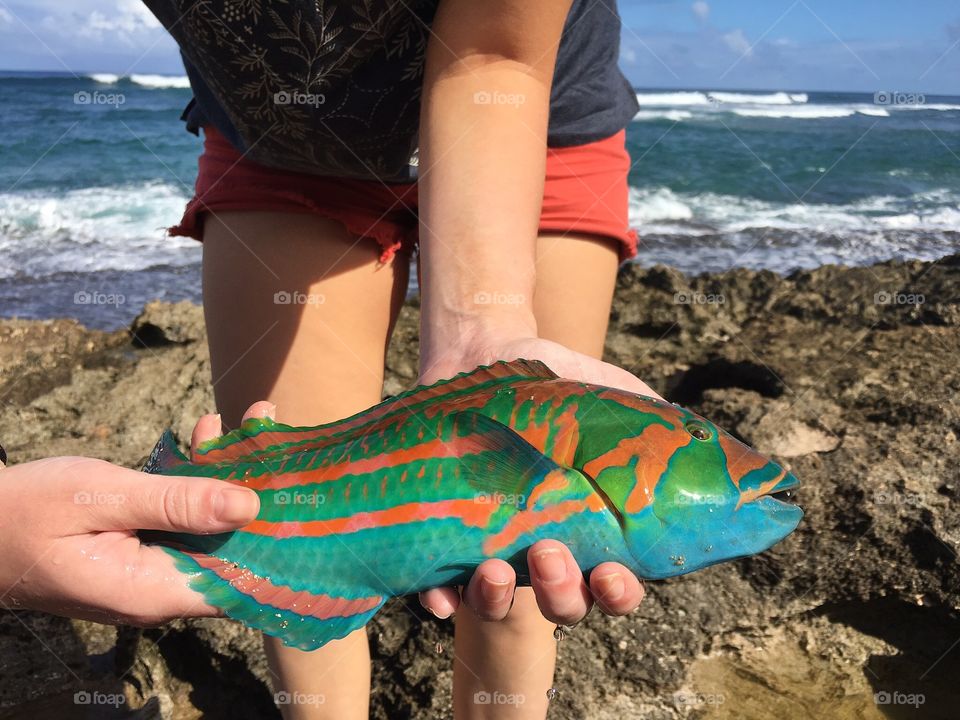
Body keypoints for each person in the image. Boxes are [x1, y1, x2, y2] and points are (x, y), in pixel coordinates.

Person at [139, 0, 655, 717]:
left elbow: (493, 56)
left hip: (532, 125)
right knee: (289, 521)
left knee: (526, 549)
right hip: (288, 143)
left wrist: (483, 332)